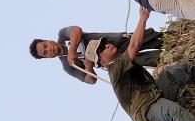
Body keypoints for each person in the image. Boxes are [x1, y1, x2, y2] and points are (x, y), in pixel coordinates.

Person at [102, 21, 195, 121]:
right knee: (172, 111)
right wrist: (143, 18)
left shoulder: (122, 62)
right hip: (146, 111)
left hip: (156, 95)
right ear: (101, 62)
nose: (107, 46)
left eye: (105, 44)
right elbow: (134, 45)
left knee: (168, 74)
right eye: (102, 49)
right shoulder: (114, 70)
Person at [30, 25, 158, 85]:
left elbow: (76, 30)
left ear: (47, 40)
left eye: (45, 46)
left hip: (119, 41)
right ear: (47, 58)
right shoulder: (68, 66)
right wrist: (89, 67)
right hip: (116, 61)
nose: (49, 49)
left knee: (155, 39)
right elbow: (90, 81)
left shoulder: (62, 35)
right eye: (45, 53)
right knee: (151, 60)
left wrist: (72, 51)